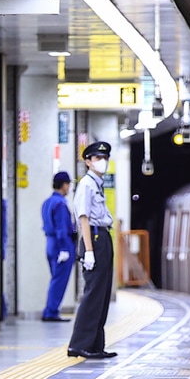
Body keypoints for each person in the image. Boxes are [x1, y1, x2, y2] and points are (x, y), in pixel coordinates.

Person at [67, 142, 117, 359]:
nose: (102, 161)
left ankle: (96, 344)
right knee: (93, 293)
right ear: (88, 161)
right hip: (94, 239)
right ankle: (79, 344)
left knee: (102, 293)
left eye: (104, 157)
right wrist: (88, 250)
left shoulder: (97, 183)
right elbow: (83, 218)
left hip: (102, 237)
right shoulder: (87, 184)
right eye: (97, 158)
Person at [40, 171, 77, 322]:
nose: (68, 188)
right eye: (68, 184)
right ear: (64, 185)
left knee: (55, 278)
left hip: (50, 243)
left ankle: (51, 309)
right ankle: (51, 311)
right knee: (59, 280)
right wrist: (64, 249)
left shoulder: (47, 202)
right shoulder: (60, 204)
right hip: (62, 244)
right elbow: (62, 228)